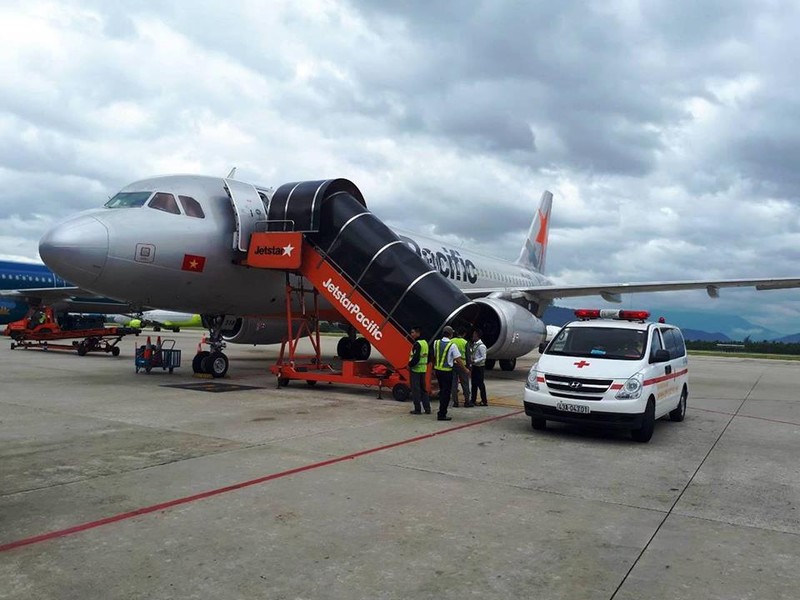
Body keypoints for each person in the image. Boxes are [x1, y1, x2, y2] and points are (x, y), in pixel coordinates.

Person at [432, 325, 469, 421]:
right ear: (451, 334)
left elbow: (435, 355)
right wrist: (465, 369)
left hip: (438, 371)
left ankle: (441, 410)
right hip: (447, 372)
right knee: (446, 393)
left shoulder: (436, 343)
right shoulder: (452, 345)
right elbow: (458, 359)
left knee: (442, 391)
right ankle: (442, 414)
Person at [407, 326, 431, 415]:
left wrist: (409, 365)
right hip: (423, 370)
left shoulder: (417, 344)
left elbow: (416, 358)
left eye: (413, 332)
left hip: (416, 370)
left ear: (418, 333)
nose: (411, 334)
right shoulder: (425, 343)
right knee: (423, 390)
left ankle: (417, 409)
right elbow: (429, 357)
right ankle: (427, 408)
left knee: (415, 390)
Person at [450, 328, 471, 407]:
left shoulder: (451, 341)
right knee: (465, 384)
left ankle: (455, 402)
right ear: (464, 334)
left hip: (453, 364)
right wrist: (468, 367)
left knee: (454, 384)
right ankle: (467, 402)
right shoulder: (465, 342)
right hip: (463, 365)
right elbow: (468, 356)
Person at [469, 328, 488, 406]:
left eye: (474, 334)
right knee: (474, 384)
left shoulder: (481, 346)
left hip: (479, 367)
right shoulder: (474, 344)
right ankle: (473, 399)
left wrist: (475, 361)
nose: (472, 336)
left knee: (480, 384)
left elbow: (484, 357)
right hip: (474, 367)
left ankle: (484, 401)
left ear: (477, 335)